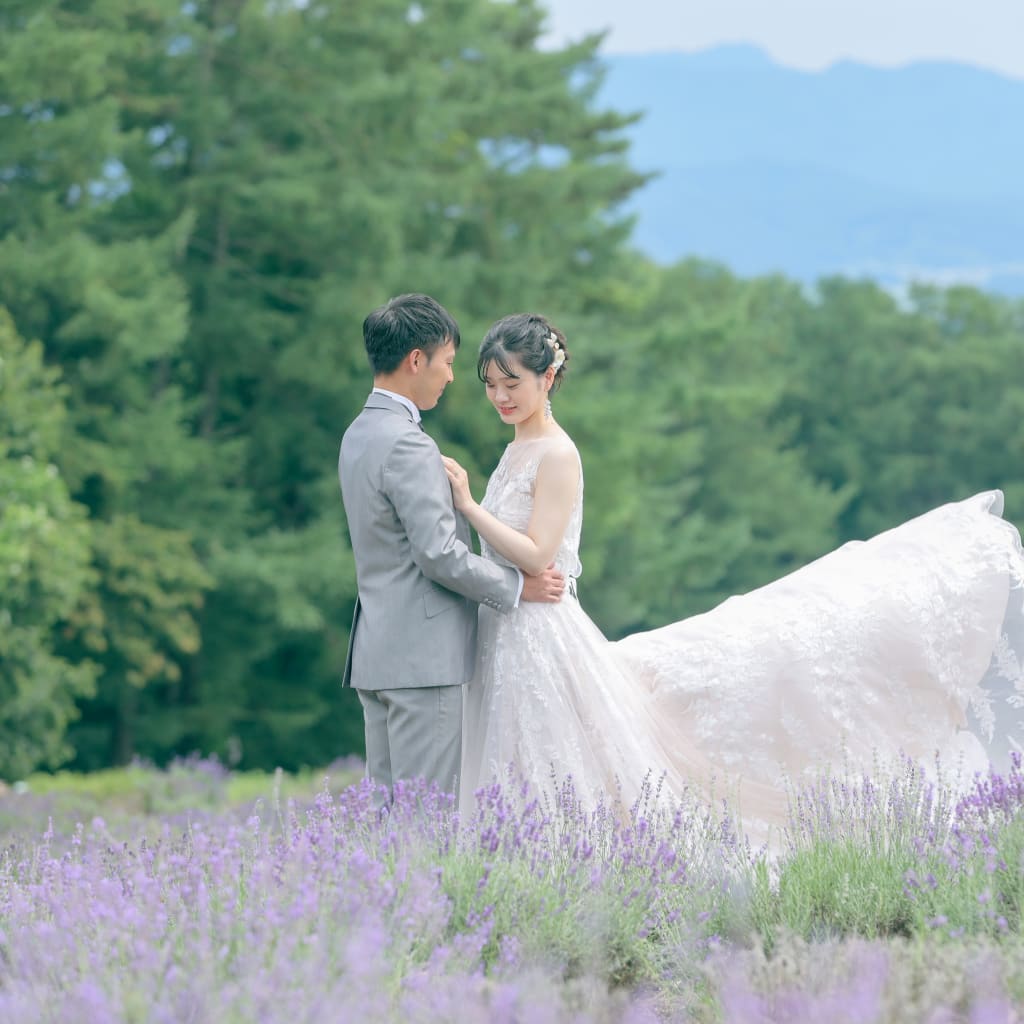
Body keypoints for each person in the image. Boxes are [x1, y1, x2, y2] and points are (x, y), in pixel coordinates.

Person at [443, 312, 1024, 838]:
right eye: (490, 385)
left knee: (560, 763)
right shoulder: (517, 450)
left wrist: (469, 508)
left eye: (511, 382)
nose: (500, 396)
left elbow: (540, 551)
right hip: (512, 623)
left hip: (543, 630)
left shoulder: (557, 454)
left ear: (547, 378)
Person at [338, 294, 565, 804]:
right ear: (416, 360)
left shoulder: (358, 434)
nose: (451, 376)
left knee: (388, 821)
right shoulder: (408, 443)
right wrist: (516, 586)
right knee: (427, 823)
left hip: (376, 654)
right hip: (423, 662)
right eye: (448, 362)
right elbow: (438, 554)